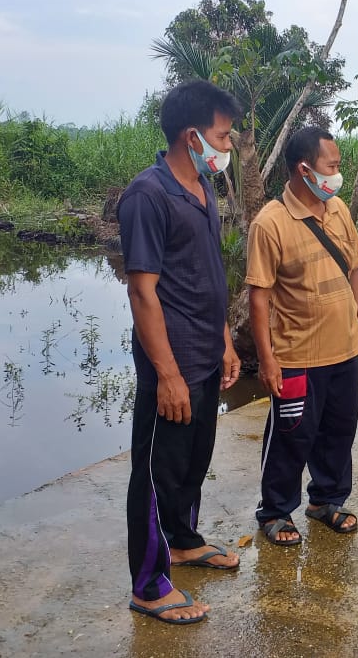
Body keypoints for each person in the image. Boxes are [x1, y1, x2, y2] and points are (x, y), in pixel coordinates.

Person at [118, 80, 243, 625]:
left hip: (206, 355)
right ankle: (148, 586)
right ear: (192, 136)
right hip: (171, 362)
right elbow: (142, 293)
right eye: (223, 134)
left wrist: (226, 342)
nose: (229, 144)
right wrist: (167, 375)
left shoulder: (203, 187)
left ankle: (184, 542)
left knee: (193, 461)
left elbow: (207, 274)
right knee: (155, 473)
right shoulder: (147, 195)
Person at [246, 126, 358, 547]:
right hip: (297, 355)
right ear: (304, 169)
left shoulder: (338, 209)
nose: (337, 174)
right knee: (291, 435)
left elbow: (352, 269)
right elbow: (259, 298)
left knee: (339, 430)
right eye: (331, 166)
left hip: (343, 351)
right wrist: (267, 359)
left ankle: (327, 500)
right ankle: (275, 511)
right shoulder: (270, 223)